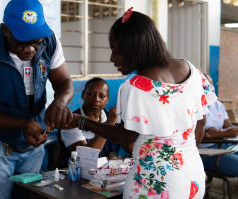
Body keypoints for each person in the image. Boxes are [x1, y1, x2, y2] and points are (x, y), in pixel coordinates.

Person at [62, 8, 217, 199]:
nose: (112, 58)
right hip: (193, 174)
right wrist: (182, 154)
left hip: (154, 182)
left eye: (116, 51)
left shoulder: (136, 86)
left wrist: (81, 121)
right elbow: (200, 123)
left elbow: (125, 136)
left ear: (134, 48)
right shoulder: (192, 71)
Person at [0, 0, 74, 198]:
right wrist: (22, 124)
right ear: (5, 30)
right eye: (21, 43)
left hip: (34, 140)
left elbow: (64, 81)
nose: (30, 50)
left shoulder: (49, 41)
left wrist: (60, 102)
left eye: (36, 42)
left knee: (30, 195)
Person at [58, 77, 134, 168]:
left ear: (107, 99)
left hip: (108, 173)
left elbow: (131, 150)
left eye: (102, 96)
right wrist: (109, 123)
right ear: (83, 95)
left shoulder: (113, 116)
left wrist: (126, 121)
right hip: (77, 174)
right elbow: (86, 158)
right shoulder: (71, 120)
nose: (96, 99)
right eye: (91, 94)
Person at [199, 74, 238, 177]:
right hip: (206, 151)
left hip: (226, 145)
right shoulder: (193, 107)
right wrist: (226, 133)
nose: (210, 87)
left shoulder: (217, 104)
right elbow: (199, 135)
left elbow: (228, 126)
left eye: (211, 83)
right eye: (205, 84)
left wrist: (219, 132)